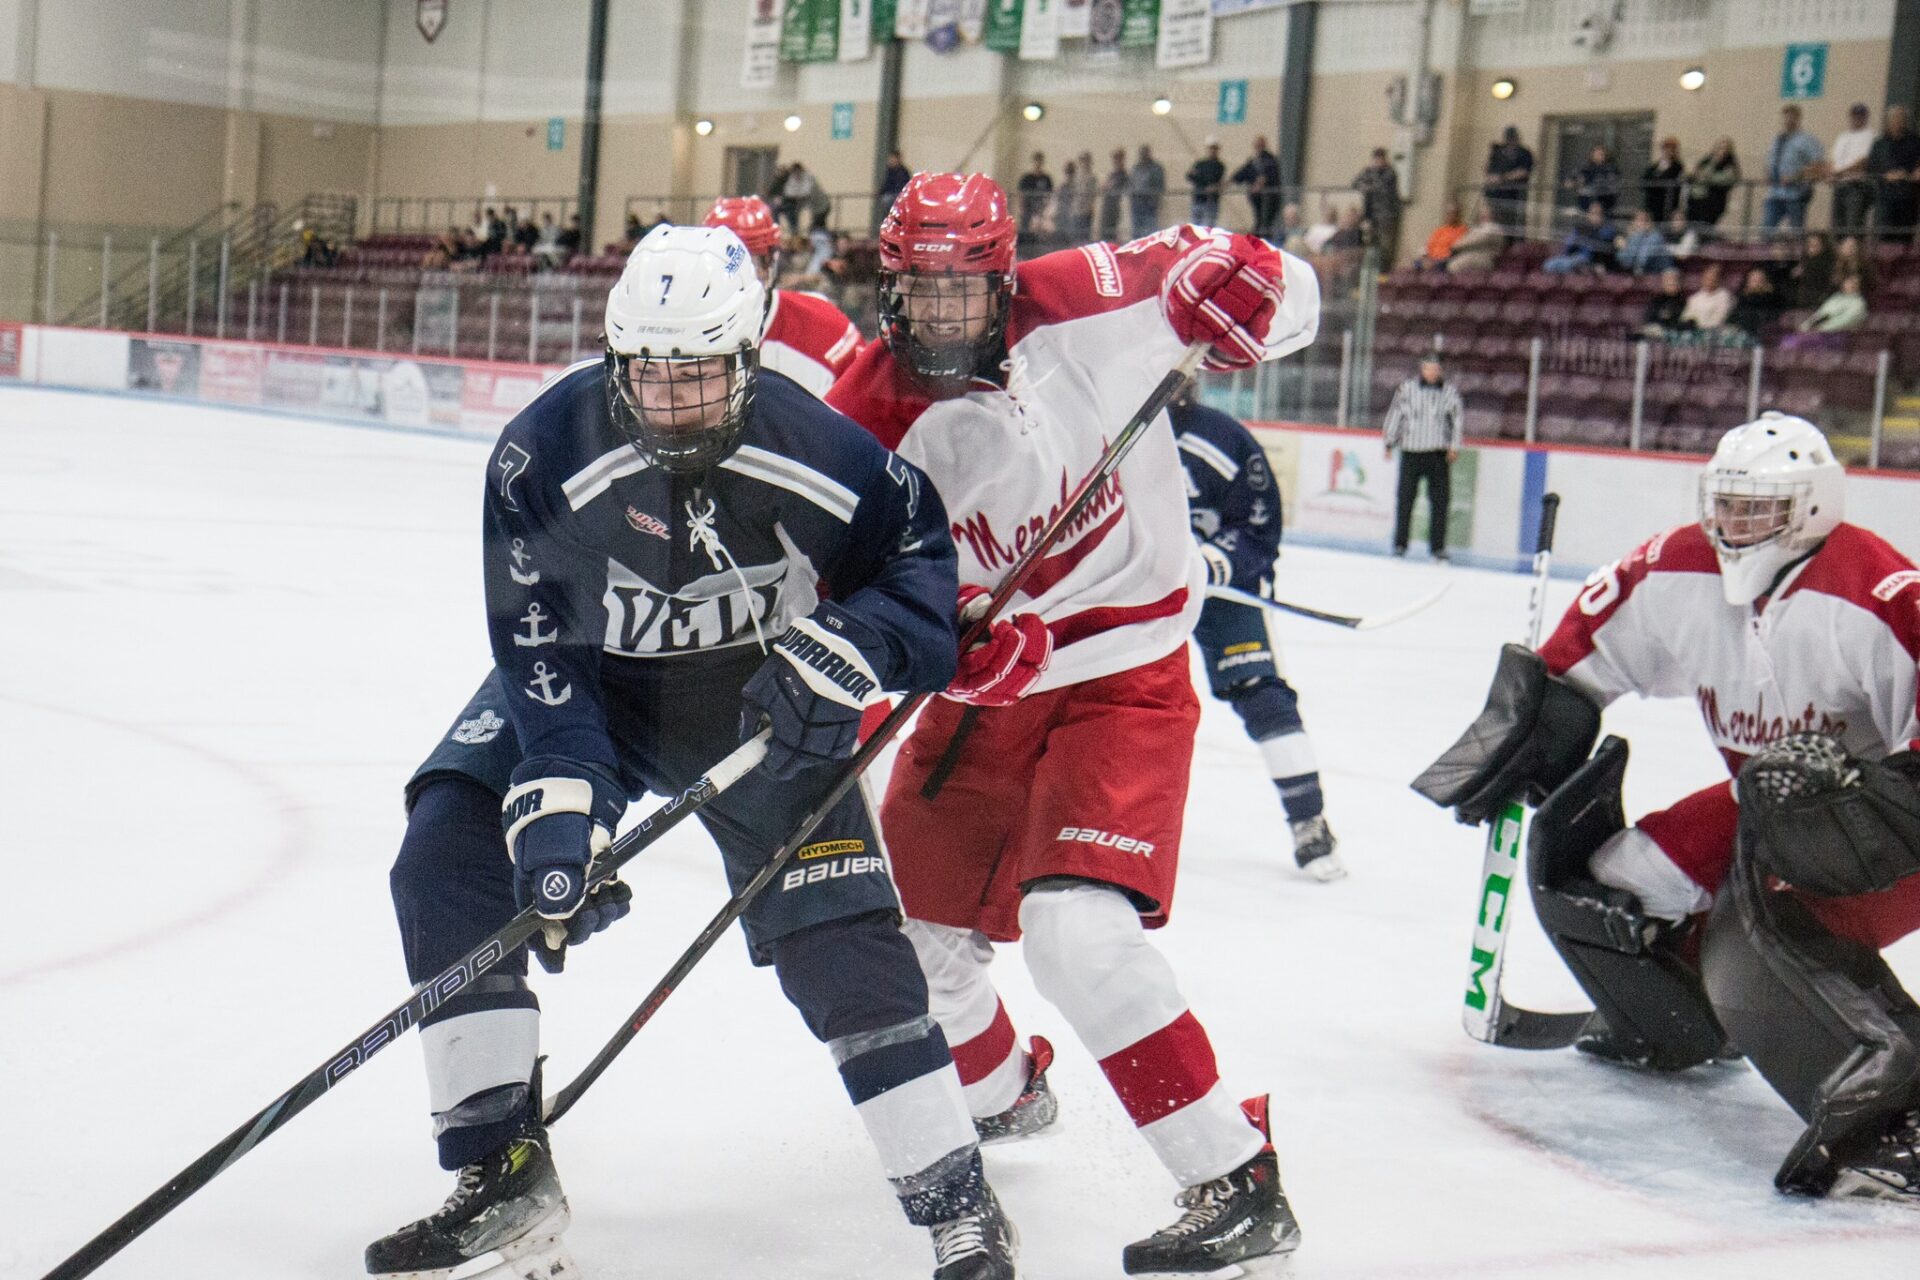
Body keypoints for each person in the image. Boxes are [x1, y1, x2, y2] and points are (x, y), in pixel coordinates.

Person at [364, 224, 1023, 1280]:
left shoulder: (818, 450)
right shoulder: (541, 455)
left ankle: (958, 1200)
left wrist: (846, 650)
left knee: (840, 944)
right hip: (593, 685)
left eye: (700, 375)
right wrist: (563, 802)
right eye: (650, 373)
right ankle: (501, 1169)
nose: (671, 401)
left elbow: (918, 574)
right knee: (447, 856)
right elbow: (537, 644)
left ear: (748, 359)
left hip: (760, 698)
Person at [826, 172, 1320, 1276]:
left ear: (1004, 281)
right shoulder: (863, 420)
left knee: (1075, 932)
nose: (940, 315)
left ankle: (1234, 1178)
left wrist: (1256, 288)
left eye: (964, 290)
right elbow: (846, 593)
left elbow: (1283, 293)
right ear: (888, 287)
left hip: (1124, 676)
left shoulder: (1091, 293)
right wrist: (939, 636)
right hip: (983, 701)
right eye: (919, 290)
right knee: (908, 945)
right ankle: (1007, 1089)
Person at [1423, 413, 1920, 1205]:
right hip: (1770, 807)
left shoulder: (1877, 589)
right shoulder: (1674, 568)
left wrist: (1866, 806)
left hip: (1886, 828)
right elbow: (1574, 661)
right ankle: (1678, 1020)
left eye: (1758, 509)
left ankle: (1901, 1114)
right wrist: (1529, 725)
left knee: (1761, 928)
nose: (1735, 526)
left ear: (1812, 506)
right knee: (1614, 882)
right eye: (1727, 506)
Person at [1173, 390, 1343, 880]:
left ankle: (1308, 820)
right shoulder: (1103, 427)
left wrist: (1209, 563)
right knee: (1101, 697)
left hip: (1221, 590)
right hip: (1133, 590)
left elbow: (1257, 526)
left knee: (1262, 695)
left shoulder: (1220, 438)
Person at [703, 195, 861, 399]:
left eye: (749, 264)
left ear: (770, 263)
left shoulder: (824, 328)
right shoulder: (677, 327)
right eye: (722, 266)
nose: (735, 278)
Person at [1382, 354, 1463, 561]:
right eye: (1428, 368)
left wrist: (1454, 446)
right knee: (1405, 500)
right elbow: (1395, 414)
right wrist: (1389, 441)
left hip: (1437, 453)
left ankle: (1437, 548)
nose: (1431, 373)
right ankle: (1400, 544)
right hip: (1411, 452)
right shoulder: (1407, 389)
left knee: (1440, 502)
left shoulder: (1449, 392)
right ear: (1422, 369)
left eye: (1435, 369)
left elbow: (1456, 420)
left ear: (1440, 371)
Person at [1764, 105, 1823, 237]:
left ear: (1798, 118)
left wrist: (1795, 177)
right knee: (1766, 232)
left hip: (1795, 194)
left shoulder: (1807, 140)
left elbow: (1818, 165)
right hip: (1774, 193)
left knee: (1796, 232)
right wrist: (1767, 173)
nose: (1788, 120)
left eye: (1792, 117)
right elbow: (1770, 160)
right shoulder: (1777, 139)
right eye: (1786, 117)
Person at [1868, 104, 1920, 244]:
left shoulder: (1915, 142)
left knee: (1905, 239)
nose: (1897, 121)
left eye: (1901, 118)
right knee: (1884, 238)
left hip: (1908, 197)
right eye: (1894, 118)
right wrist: (1886, 175)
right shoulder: (1879, 144)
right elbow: (1871, 168)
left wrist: (1910, 174)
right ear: (1888, 121)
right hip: (1885, 197)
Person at [1780, 274, 1868, 350]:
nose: (1851, 285)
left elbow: (1846, 322)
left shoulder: (1858, 303)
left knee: (1796, 343)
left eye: (1855, 283)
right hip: (1820, 332)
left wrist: (1820, 329)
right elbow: (1821, 314)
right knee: (1787, 340)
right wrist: (1805, 327)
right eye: (1849, 282)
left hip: (1838, 335)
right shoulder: (1835, 298)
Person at [1830, 103, 1877, 235]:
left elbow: (1864, 161)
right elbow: (1834, 160)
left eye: (1860, 116)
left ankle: (1855, 247)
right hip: (1839, 185)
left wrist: (1841, 172)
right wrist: (1831, 174)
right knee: (1837, 227)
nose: (1856, 119)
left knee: (1853, 226)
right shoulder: (1843, 136)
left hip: (1857, 186)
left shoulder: (1871, 136)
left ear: (1865, 117)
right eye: (1854, 115)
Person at [1353, 147, 1403, 267]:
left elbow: (1380, 188)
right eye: (1376, 159)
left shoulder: (1390, 173)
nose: (1378, 162)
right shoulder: (1368, 171)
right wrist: (1364, 186)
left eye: (1380, 159)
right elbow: (1355, 183)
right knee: (1369, 242)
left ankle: (1384, 268)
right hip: (1370, 215)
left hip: (1386, 215)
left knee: (1385, 244)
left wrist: (1369, 186)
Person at [1484, 125, 1535, 237]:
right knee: (1494, 224)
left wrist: (1503, 178)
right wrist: (1492, 178)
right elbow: (1488, 170)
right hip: (1495, 194)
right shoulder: (1498, 152)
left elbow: (1524, 171)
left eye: (1512, 138)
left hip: (1514, 195)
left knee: (1513, 225)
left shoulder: (1524, 153)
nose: (1511, 141)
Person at [1542, 202, 1618, 274]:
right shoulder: (1581, 228)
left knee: (1569, 264)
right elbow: (1568, 247)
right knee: (1549, 264)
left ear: (1603, 216)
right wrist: (1576, 228)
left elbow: (1604, 246)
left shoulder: (1607, 230)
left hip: (1588, 259)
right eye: (1592, 213)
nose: (1595, 217)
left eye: (1598, 214)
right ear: (1588, 215)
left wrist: (1595, 229)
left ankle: (1584, 270)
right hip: (1573, 257)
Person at [1233, 135, 1283, 239]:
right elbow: (1241, 174)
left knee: (1266, 222)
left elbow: (1267, 176)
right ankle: (1257, 239)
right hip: (1257, 199)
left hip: (1269, 198)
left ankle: (1263, 239)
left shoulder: (1269, 159)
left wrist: (1258, 185)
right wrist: (1225, 183)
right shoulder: (1253, 161)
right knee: (1259, 220)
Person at [1727, 266, 1784, 343]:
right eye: (1752, 279)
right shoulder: (1742, 297)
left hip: (1758, 334)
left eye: (1758, 279)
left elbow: (1764, 319)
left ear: (1765, 282)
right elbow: (1732, 317)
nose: (1755, 282)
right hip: (1737, 332)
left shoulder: (1771, 298)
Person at [1445, 204, 1507, 274]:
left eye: (1485, 212)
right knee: (1444, 264)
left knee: (1453, 265)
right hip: (1473, 254)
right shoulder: (1480, 228)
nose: (1482, 214)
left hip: (1484, 257)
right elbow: (1466, 238)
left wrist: (1455, 246)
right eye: (1482, 212)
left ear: (1492, 214)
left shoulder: (1493, 228)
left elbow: (1473, 240)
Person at [1783, 231, 1835, 309]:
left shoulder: (1826, 262)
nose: (1812, 247)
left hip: (1817, 297)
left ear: (1823, 246)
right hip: (1802, 296)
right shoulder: (1804, 259)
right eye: (1810, 244)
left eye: (1816, 244)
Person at [1680, 263, 1735, 334]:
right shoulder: (1694, 298)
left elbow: (1719, 320)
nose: (1709, 280)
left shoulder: (1725, 297)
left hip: (1715, 333)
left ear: (1719, 279)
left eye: (1713, 277)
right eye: (1707, 277)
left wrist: (1699, 327)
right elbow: (1685, 318)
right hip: (1694, 332)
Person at [1616, 209, 1673, 277]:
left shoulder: (1656, 236)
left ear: (1650, 223)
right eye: (1639, 220)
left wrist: (1637, 235)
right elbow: (1624, 261)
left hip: (1655, 274)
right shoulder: (1628, 237)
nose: (1643, 223)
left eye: (1646, 220)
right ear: (1633, 222)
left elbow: (1642, 261)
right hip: (1633, 274)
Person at [1642, 137, 1686, 224]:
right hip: (1651, 201)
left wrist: (1657, 177)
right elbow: (1645, 178)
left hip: (1665, 203)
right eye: (1666, 148)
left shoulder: (1677, 166)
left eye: (1671, 149)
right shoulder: (1655, 166)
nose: (1668, 151)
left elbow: (1669, 179)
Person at [1416, 199, 1468, 271]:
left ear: (1459, 214)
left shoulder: (1463, 230)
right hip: (1431, 259)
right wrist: (1425, 258)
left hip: (1445, 260)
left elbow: (1456, 249)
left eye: (1453, 213)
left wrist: (1434, 261)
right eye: (1448, 213)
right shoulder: (1440, 230)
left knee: (1439, 264)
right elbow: (1428, 246)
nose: (1450, 216)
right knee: (1416, 263)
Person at [1129, 144, 1167, 239]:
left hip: (1150, 204)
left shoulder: (1156, 168)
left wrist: (1154, 197)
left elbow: (1160, 185)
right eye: (1141, 153)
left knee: (1150, 230)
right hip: (1137, 203)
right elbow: (1131, 183)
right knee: (1137, 230)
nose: (1143, 155)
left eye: (1145, 153)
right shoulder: (1136, 168)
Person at [1187, 138, 1227, 228]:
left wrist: (1201, 179)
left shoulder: (1219, 166)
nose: (1213, 151)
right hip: (1199, 198)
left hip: (1211, 200)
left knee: (1210, 225)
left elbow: (1216, 179)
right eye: (1211, 148)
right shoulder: (1200, 164)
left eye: (1215, 148)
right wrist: (1205, 184)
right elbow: (1190, 176)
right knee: (1195, 226)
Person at [1639, 266, 1688, 338]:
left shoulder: (1684, 301)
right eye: (1668, 280)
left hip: (1674, 334)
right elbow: (1649, 318)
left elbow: (1681, 321)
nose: (1671, 283)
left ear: (1680, 283)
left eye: (1674, 280)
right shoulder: (1657, 300)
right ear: (1663, 283)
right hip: (1655, 333)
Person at [1017, 151, 1055, 240]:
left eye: (1040, 161)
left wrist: (1045, 208)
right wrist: (1022, 207)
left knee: (1038, 231)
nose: (1038, 164)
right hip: (1027, 209)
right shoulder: (1026, 178)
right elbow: (1021, 194)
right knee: (1025, 229)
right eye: (1036, 161)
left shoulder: (1046, 178)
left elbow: (1049, 195)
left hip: (1040, 210)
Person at [1061, 152, 1098, 244]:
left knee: (1084, 236)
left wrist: (1089, 206)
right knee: (1075, 235)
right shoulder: (1076, 177)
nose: (1084, 163)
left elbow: (1092, 195)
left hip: (1086, 211)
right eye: (1082, 160)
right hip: (1076, 210)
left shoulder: (1092, 178)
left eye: (1086, 160)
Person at [1099, 148, 1130, 242]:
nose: (1116, 161)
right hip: (1108, 206)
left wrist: (1109, 186)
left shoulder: (1123, 175)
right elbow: (1104, 187)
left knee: (1112, 232)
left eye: (1118, 158)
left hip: (1115, 207)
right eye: (1115, 158)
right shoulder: (1112, 174)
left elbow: (1117, 188)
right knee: (1105, 231)